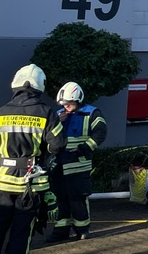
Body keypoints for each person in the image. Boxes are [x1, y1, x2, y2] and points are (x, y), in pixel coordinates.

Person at [0, 64, 63, 254]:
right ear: (40, 86)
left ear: (15, 85)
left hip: (1, 182)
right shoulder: (47, 113)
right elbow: (56, 145)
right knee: (21, 233)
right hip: (30, 184)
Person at [46, 82, 107, 242]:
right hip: (59, 165)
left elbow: (100, 133)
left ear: (78, 99)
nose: (66, 106)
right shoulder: (58, 115)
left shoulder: (92, 113)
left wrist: (84, 148)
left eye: (69, 103)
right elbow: (48, 136)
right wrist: (56, 121)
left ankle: (82, 230)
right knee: (60, 199)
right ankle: (61, 231)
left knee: (78, 198)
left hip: (79, 164)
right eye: (64, 104)